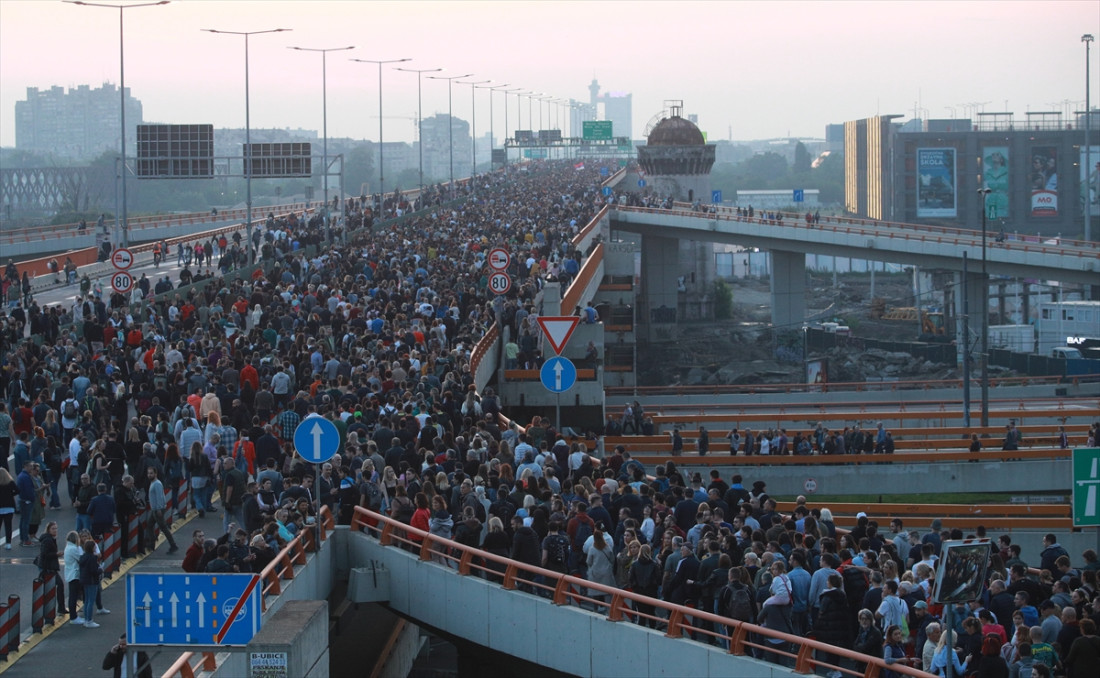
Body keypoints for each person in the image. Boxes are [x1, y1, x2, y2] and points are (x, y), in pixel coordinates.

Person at [37, 520, 67, 617]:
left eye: (56, 528)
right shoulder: (48, 540)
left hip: (48, 567)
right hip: (48, 568)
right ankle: (59, 608)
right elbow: (45, 554)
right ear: (48, 529)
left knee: (48, 588)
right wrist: (56, 554)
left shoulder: (50, 538)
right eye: (53, 528)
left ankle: (53, 609)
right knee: (58, 585)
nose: (55, 530)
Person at [145, 467, 178, 553]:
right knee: (149, 524)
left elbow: (160, 496)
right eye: (148, 473)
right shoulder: (153, 483)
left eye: (151, 473)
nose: (149, 475)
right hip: (155, 509)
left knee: (163, 527)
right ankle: (152, 543)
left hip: (157, 509)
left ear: (155, 474)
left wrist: (159, 509)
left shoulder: (157, 484)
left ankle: (173, 544)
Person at [78, 538, 103, 628]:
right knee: (91, 601)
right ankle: (89, 620)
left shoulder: (83, 557)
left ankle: (86, 619)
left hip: (85, 581)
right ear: (92, 548)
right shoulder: (92, 558)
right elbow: (93, 571)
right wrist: (100, 570)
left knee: (87, 600)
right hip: (92, 581)